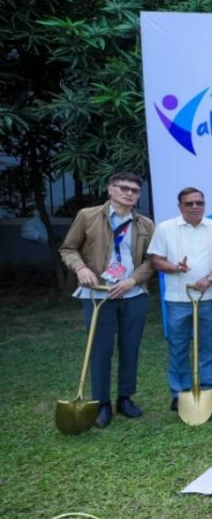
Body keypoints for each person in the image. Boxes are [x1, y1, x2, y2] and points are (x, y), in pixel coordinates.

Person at [58, 172, 156, 428]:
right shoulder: (87, 216)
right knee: (100, 350)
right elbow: (68, 248)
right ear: (110, 189)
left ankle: (125, 398)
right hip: (98, 294)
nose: (129, 193)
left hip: (132, 293)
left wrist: (133, 280)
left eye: (134, 191)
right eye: (123, 188)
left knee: (130, 347)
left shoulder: (145, 224)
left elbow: (151, 260)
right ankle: (101, 403)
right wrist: (81, 269)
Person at [148, 187, 212, 412]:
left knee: (209, 345)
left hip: (210, 295)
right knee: (177, 345)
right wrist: (175, 267)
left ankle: (210, 388)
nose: (195, 207)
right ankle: (180, 392)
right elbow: (156, 260)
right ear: (180, 206)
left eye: (199, 203)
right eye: (189, 204)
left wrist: (210, 278)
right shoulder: (165, 228)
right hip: (177, 297)